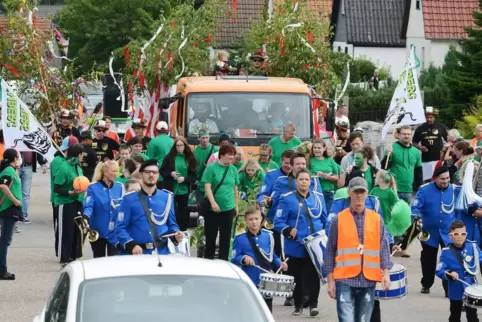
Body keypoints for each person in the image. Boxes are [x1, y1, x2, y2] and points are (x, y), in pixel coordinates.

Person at [325, 177, 392, 322]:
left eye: (362, 192)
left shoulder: (376, 219)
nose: (359, 195)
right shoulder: (338, 219)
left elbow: (383, 248)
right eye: (356, 192)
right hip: (344, 279)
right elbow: (330, 250)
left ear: (367, 193)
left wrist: (386, 274)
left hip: (368, 280)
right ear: (349, 193)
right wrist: (330, 281)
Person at [274, 169, 326, 316]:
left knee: (314, 276)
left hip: (314, 244)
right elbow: (278, 222)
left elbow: (324, 219)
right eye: (301, 179)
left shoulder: (317, 198)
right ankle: (298, 305)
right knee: (297, 276)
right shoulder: (287, 198)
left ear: (311, 181)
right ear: (296, 181)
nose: (304, 182)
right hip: (296, 244)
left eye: (306, 179)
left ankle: (313, 305)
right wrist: (288, 229)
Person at [115, 160, 183, 255]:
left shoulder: (167, 197)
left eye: (154, 172)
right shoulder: (128, 199)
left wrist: (176, 235)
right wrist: (131, 245)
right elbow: (120, 228)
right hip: (137, 254)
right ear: (141, 174)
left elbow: (172, 225)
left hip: (161, 252)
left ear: (158, 175)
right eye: (147, 172)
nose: (151, 175)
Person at [231, 206, 288, 312]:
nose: (254, 222)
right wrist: (243, 258)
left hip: (267, 280)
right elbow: (234, 257)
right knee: (251, 310)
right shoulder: (240, 238)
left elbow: (271, 255)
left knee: (267, 310)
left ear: (261, 219)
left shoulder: (269, 236)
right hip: (250, 279)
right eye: (251, 219)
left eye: (256, 219)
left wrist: (280, 264)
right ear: (246, 221)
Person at [412, 166, 454, 295]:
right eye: (442, 179)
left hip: (448, 233)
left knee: (449, 260)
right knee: (428, 260)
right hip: (429, 233)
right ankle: (426, 283)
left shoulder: (454, 190)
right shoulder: (424, 190)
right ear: (435, 178)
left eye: (447, 178)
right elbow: (415, 208)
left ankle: (449, 288)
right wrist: (416, 218)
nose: (445, 181)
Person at [436, 220, 482, 322]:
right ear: (450, 236)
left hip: (471, 288)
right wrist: (449, 274)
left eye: (463, 233)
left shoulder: (473, 247)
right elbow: (439, 269)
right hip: (455, 289)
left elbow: (481, 258)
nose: (460, 236)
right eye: (456, 234)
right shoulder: (446, 252)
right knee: (455, 315)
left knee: (472, 316)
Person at [201, 144, 239, 261]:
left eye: (233, 155)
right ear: (222, 155)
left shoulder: (233, 169)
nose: (231, 157)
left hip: (228, 208)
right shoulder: (211, 168)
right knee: (210, 237)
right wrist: (213, 203)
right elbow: (207, 186)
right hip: (213, 209)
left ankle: (223, 262)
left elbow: (235, 188)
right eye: (229, 155)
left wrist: (236, 205)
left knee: (225, 238)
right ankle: (208, 261)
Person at [256, 149, 294, 257]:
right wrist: (264, 202)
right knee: (274, 254)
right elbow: (261, 195)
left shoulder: (300, 177)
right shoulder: (271, 176)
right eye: (286, 163)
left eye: (291, 163)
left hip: (293, 222)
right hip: (274, 221)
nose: (289, 166)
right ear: (281, 162)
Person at [82, 160, 124, 258]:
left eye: (116, 171)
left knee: (114, 259)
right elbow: (89, 205)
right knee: (98, 258)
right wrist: (86, 216)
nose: (116, 174)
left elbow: (123, 207)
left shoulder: (120, 187)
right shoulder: (93, 187)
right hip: (98, 230)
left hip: (115, 232)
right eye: (113, 171)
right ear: (105, 172)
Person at [54, 144, 86, 265]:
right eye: (82, 154)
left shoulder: (77, 166)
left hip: (77, 201)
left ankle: (73, 255)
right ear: (78, 154)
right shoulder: (64, 167)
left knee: (75, 230)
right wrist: (70, 192)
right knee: (65, 231)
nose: (82, 156)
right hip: (65, 203)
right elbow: (57, 188)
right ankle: (63, 256)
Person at [160, 136, 197, 231]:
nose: (179, 147)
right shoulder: (169, 157)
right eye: (177, 145)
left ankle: (183, 230)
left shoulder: (190, 158)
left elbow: (194, 175)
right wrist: (170, 173)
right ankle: (170, 229)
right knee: (171, 210)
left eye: (181, 145)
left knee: (183, 211)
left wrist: (184, 179)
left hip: (183, 189)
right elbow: (162, 171)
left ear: (185, 146)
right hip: (170, 188)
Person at [51, 136, 79, 257]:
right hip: (61, 198)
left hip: (75, 199)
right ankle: (62, 253)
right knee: (63, 229)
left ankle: (71, 253)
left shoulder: (75, 163)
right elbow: (58, 182)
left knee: (72, 229)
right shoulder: (58, 161)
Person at [381, 125, 423, 203]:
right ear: (399, 135)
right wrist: (388, 155)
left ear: (411, 136)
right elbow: (384, 167)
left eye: (408, 134)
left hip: (409, 190)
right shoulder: (392, 148)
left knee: (406, 214)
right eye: (404, 134)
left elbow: (418, 172)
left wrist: (419, 189)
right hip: (394, 189)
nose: (406, 136)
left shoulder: (416, 152)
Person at [0, 149, 23, 280]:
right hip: (8, 208)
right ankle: (2, 270)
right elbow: (3, 186)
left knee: (4, 240)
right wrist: (15, 200)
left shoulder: (11, 170)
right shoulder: (8, 171)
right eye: (18, 156)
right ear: (14, 158)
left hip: (9, 208)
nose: (20, 158)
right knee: (5, 241)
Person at [413, 106, 448, 182]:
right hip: (426, 159)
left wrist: (445, 151)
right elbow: (413, 142)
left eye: (431, 117)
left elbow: (447, 140)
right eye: (427, 117)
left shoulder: (440, 127)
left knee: (439, 179)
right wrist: (420, 147)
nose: (429, 119)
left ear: (434, 117)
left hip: (439, 159)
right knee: (428, 180)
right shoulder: (420, 128)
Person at [106, 179, 141, 253]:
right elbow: (111, 233)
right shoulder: (119, 209)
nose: (135, 193)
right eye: (132, 190)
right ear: (126, 192)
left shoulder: (146, 208)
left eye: (138, 190)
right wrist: (123, 245)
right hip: (126, 252)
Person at [193, 129, 218, 218]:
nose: (205, 140)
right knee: (202, 206)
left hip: (212, 182)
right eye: (203, 138)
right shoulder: (195, 152)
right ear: (199, 138)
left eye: (207, 137)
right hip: (200, 183)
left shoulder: (215, 149)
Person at [309, 138, 340, 212]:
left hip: (328, 192)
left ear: (324, 149)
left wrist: (328, 177)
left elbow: (337, 177)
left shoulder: (330, 160)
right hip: (314, 193)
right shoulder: (309, 160)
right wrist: (316, 175)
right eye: (315, 148)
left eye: (319, 148)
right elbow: (306, 175)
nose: (316, 150)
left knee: (328, 214)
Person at [146, 121, 174, 188]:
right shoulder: (172, 141)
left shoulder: (153, 141)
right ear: (167, 131)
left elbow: (148, 158)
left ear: (156, 131)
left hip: (157, 173)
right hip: (170, 172)